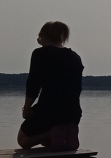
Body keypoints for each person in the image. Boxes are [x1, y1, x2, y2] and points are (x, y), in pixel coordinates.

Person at [17, 21, 84, 151]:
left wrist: (27, 108)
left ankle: (51, 133)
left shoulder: (40, 54)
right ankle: (66, 136)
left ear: (43, 36)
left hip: (49, 110)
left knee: (23, 140)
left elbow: (33, 84)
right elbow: (77, 88)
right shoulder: (75, 57)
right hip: (73, 112)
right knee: (55, 138)